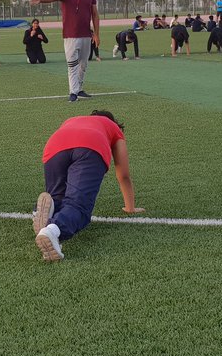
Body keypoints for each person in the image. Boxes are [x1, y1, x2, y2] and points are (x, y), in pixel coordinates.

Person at [32, 110, 142, 261]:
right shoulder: (114, 128)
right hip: (90, 145)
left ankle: (46, 213)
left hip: (55, 145)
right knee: (78, 206)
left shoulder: (73, 119)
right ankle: (52, 230)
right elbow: (123, 175)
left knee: (57, 197)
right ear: (114, 122)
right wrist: (130, 208)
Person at [29, 0, 99, 102]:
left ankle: (79, 88)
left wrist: (96, 34)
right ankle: (73, 92)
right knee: (72, 64)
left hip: (86, 35)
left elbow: (95, 15)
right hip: (70, 36)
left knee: (83, 64)